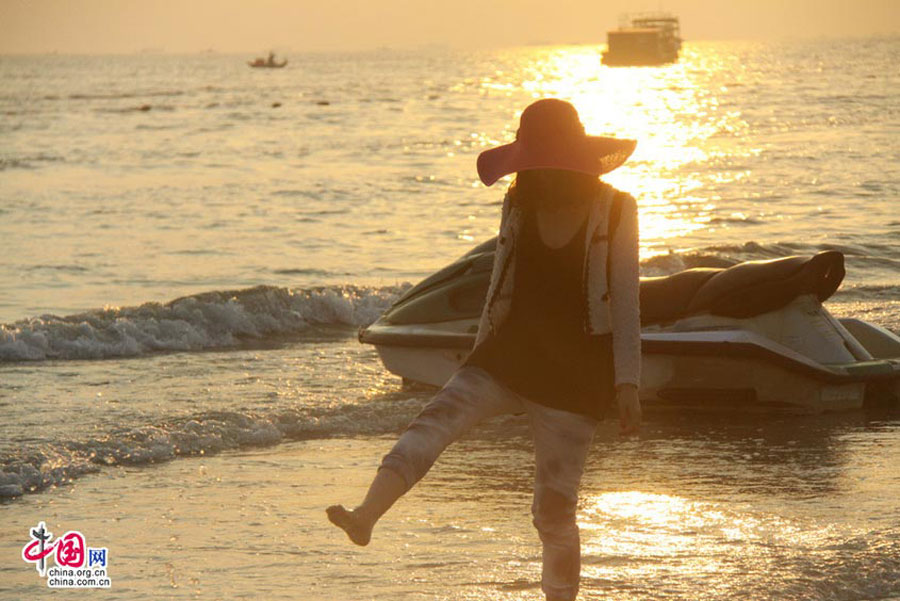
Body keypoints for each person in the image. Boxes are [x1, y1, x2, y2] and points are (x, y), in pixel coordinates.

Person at [327, 98, 642, 601]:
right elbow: (502, 279)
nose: (533, 168)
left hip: (576, 372)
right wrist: (477, 355)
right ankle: (365, 516)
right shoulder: (520, 202)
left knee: (553, 511)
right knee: (430, 425)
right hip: (506, 355)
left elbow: (626, 298)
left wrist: (627, 381)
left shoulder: (617, 208)